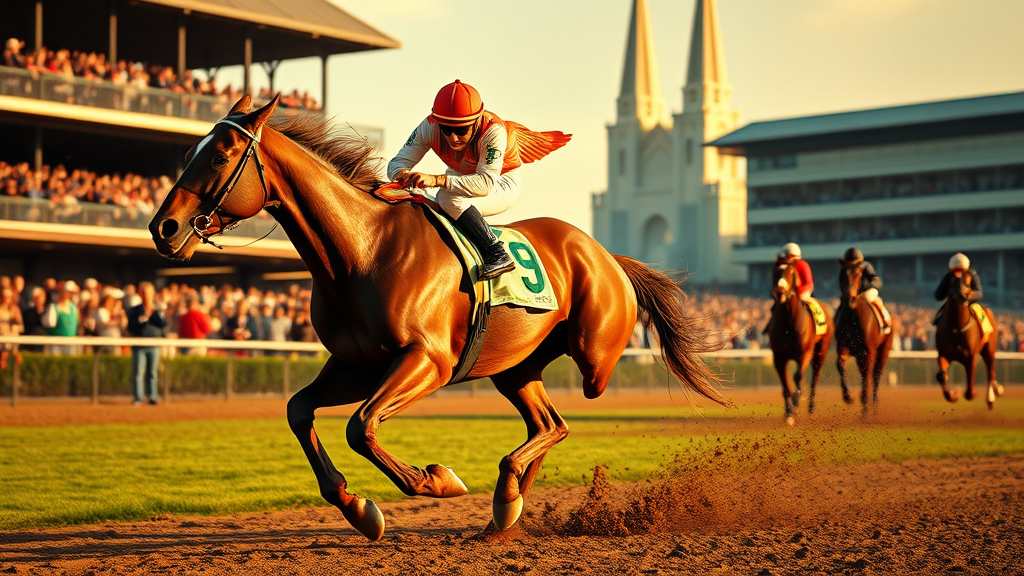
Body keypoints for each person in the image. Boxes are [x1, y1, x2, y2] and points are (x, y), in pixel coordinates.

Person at [387, 79, 571, 280]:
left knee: (447, 197)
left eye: (461, 130)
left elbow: (484, 185)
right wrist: (403, 176)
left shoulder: (494, 131)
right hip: (457, 178)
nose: (453, 138)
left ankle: (496, 252)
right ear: (437, 121)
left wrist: (436, 180)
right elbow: (396, 164)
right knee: (416, 198)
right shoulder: (429, 126)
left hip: (499, 182)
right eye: (446, 129)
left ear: (476, 121)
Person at [126, 282, 166, 405]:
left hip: (154, 345)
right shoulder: (134, 310)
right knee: (138, 373)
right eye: (144, 293)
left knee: (153, 373)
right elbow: (130, 327)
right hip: (139, 346)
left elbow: (163, 324)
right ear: (140, 294)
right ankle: (138, 398)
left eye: (148, 293)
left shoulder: (158, 309)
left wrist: (155, 312)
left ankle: (152, 396)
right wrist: (143, 318)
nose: (146, 296)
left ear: (153, 294)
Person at [763, 242, 814, 334]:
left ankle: (816, 325)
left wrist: (797, 293)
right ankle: (771, 326)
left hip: (801, 293)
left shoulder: (802, 265)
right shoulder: (778, 266)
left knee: (809, 305)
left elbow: (809, 283)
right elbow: (774, 283)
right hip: (783, 294)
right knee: (775, 307)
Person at [839, 247, 891, 330]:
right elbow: (842, 284)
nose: (851, 267)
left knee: (871, 298)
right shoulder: (844, 270)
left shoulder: (865, 266)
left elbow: (876, 281)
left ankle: (885, 319)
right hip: (852, 294)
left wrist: (865, 288)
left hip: (867, 292)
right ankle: (835, 323)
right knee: (842, 304)